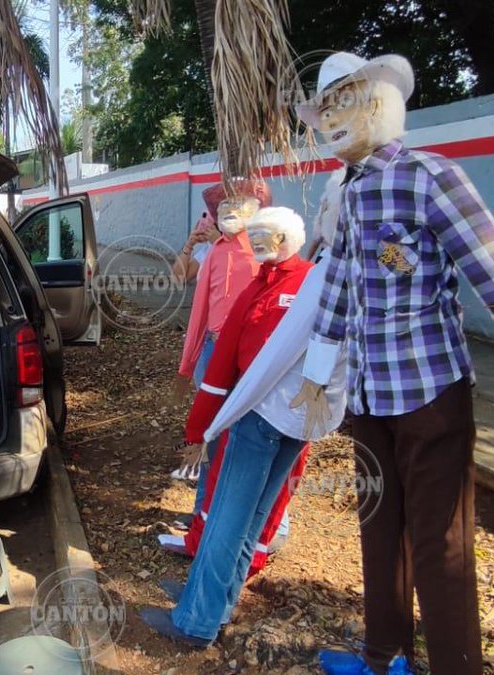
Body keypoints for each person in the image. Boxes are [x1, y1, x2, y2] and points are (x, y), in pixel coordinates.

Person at [292, 52, 494, 674]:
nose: (332, 119)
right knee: (377, 527)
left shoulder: (428, 176)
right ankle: (384, 656)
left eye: (344, 101)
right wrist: (319, 372)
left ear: (381, 101)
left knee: (440, 544)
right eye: (325, 109)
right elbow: (337, 282)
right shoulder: (353, 191)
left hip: (429, 394)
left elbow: (492, 264)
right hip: (369, 398)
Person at [141, 206, 349, 647]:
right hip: (298, 419)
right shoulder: (315, 278)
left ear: (284, 239)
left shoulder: (283, 287)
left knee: (227, 522)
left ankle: (195, 622)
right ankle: (213, 603)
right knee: (250, 522)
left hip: (261, 413)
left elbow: (230, 364)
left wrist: (200, 429)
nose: (254, 242)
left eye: (262, 235)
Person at [174, 180, 268, 529]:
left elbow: (254, 274)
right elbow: (186, 288)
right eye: (223, 207)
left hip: (249, 353)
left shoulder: (260, 247)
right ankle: (204, 513)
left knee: (253, 431)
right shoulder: (213, 251)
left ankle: (263, 520)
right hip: (213, 350)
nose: (227, 213)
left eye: (236, 206)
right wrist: (192, 243)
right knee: (211, 432)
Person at [172, 211, 219, 284]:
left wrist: (220, 244)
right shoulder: (207, 249)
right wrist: (188, 246)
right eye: (204, 216)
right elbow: (178, 278)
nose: (204, 223)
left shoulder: (235, 247)